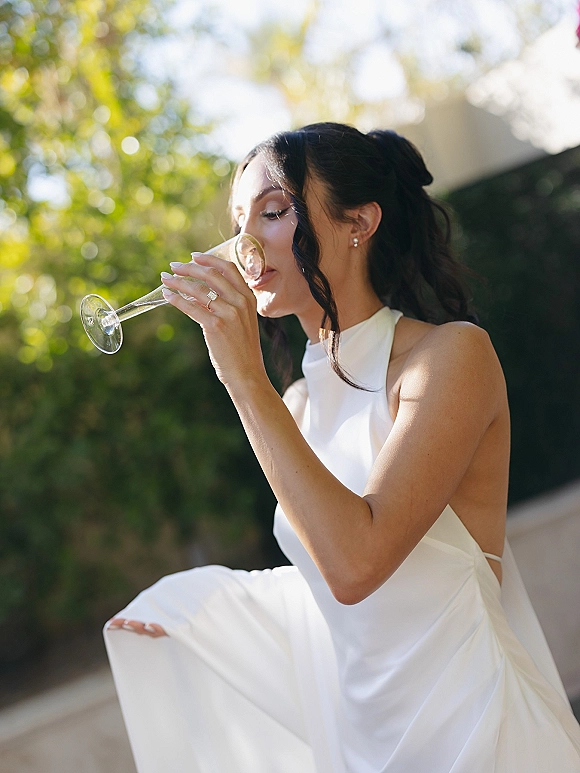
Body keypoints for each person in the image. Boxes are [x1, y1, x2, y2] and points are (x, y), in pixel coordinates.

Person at [105, 122, 580, 772]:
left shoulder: (450, 356)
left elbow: (358, 562)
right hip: (369, 747)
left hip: (479, 729)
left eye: (272, 212)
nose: (244, 241)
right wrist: (198, 617)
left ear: (359, 221)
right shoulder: (295, 405)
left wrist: (244, 379)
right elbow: (321, 596)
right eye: (238, 219)